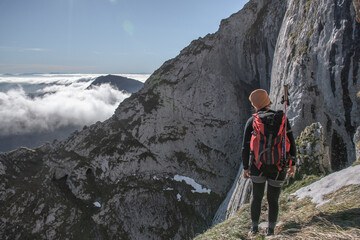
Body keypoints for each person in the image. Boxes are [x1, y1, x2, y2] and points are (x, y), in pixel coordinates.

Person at [241, 89, 296, 236]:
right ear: (267, 101)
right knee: (273, 200)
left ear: (255, 105)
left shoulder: (252, 121)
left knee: (256, 198)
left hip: (257, 166)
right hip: (279, 166)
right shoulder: (282, 119)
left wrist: (246, 167)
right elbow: (291, 141)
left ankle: (254, 229)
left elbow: (245, 147)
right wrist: (293, 163)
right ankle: (270, 231)